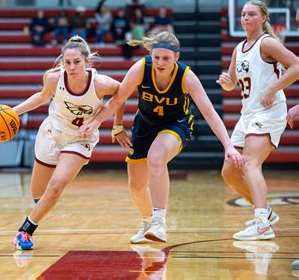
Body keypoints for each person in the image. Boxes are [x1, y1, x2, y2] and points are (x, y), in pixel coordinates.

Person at [80, 31, 243, 243]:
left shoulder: (187, 77)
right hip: (145, 124)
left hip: (176, 124)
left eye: (166, 58)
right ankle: (148, 222)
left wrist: (228, 146)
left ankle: (159, 222)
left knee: (156, 157)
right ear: (151, 55)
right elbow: (117, 100)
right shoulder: (140, 69)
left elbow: (210, 113)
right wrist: (96, 122)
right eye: (156, 57)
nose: (160, 62)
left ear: (176, 57)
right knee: (136, 186)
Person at [12, 36, 124, 250]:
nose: (72, 67)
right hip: (53, 133)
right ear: (62, 62)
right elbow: (42, 97)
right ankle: (41, 208)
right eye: (67, 62)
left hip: (79, 139)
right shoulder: (54, 79)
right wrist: (14, 112)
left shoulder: (101, 84)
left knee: (55, 186)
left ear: (87, 62)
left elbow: (121, 95)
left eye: (77, 62)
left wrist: (115, 124)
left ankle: (25, 231)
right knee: (38, 195)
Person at [217, 0, 299, 241]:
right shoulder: (239, 48)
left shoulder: (268, 43)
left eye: (251, 14)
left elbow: (296, 65)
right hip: (248, 114)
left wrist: (274, 87)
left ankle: (262, 223)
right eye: (243, 14)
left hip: (270, 110)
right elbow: (233, 82)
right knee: (230, 171)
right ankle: (266, 212)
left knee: (251, 163)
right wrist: (227, 82)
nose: (246, 18)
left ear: (263, 17)